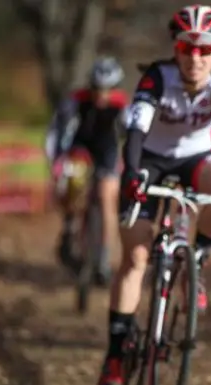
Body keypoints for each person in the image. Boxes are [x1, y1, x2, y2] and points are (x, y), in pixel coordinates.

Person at [97, 4, 211, 385]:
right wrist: (135, 173)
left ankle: (198, 261)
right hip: (148, 160)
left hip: (196, 158)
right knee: (135, 257)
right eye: (187, 48)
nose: (196, 58)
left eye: (205, 49)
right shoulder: (157, 78)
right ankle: (116, 353)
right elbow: (135, 131)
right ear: (175, 49)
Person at [44, 56, 129, 284]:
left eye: (107, 90)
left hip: (107, 153)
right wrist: (56, 161)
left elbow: (134, 136)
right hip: (79, 148)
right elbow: (56, 132)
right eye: (97, 89)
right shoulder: (75, 102)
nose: (102, 95)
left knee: (106, 196)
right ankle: (69, 226)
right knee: (73, 181)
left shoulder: (123, 107)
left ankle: (103, 258)